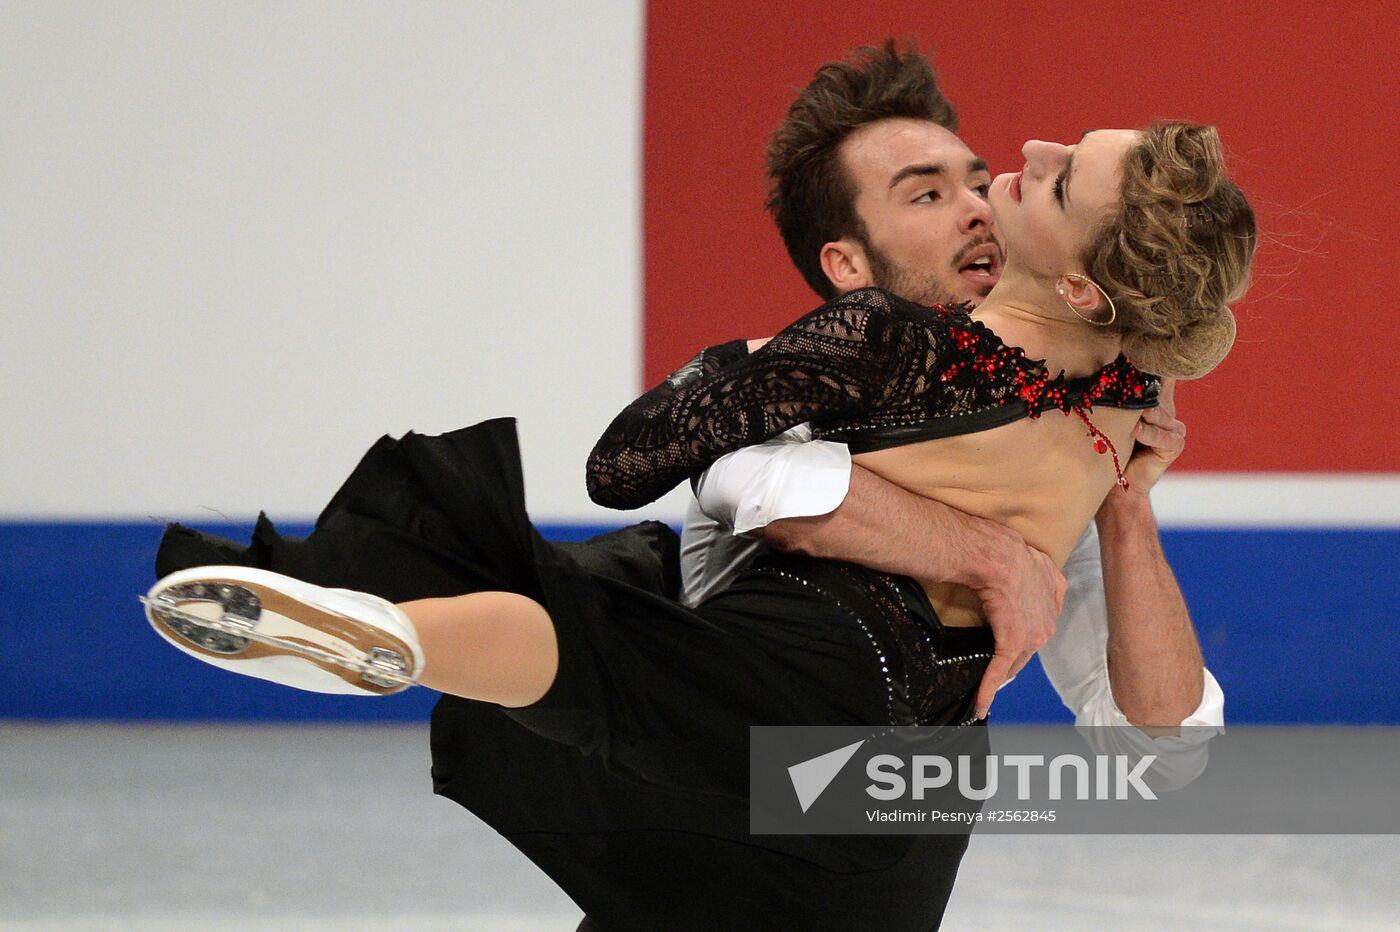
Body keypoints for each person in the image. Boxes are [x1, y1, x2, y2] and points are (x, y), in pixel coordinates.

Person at [144, 91, 1256, 928]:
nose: (990, 186)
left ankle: (390, 632)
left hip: (843, 768)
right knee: (612, 603)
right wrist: (985, 547)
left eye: (992, 178)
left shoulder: (1088, 420)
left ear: (1079, 286)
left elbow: (1157, 748)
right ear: (843, 259)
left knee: (595, 630)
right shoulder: (998, 375)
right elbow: (736, 480)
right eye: (925, 194)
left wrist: (1122, 509)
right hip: (832, 761)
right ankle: (384, 628)